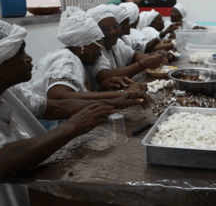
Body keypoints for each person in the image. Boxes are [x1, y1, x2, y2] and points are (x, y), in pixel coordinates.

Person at [0, 20, 149, 206]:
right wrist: (70, 128)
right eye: (19, 53)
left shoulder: (10, 92)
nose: (28, 58)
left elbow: (55, 107)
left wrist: (117, 100)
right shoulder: (67, 59)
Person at [22, 7, 152, 130]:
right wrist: (122, 95)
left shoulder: (73, 58)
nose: (100, 53)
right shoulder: (66, 59)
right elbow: (59, 96)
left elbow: (76, 93)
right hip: (43, 129)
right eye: (98, 47)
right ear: (83, 46)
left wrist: (102, 90)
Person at [85, 4, 165, 90]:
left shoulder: (117, 43)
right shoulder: (93, 49)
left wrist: (151, 60)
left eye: (115, 26)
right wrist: (141, 65)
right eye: (105, 29)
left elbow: (134, 55)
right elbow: (103, 76)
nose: (112, 32)